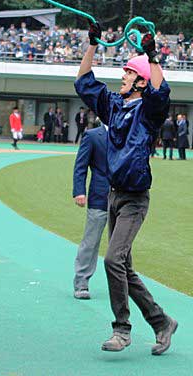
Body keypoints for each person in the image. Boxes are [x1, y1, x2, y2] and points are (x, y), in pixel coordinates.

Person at [75, 21, 177, 355]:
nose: (122, 76)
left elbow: (162, 91)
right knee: (123, 266)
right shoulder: (114, 105)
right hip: (112, 196)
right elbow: (83, 82)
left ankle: (122, 329)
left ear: (141, 81)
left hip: (134, 199)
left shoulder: (148, 111)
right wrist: (92, 44)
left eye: (128, 73)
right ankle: (161, 322)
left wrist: (152, 55)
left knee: (112, 260)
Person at [72, 124, 109, 300]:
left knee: (123, 246)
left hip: (126, 197)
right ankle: (81, 282)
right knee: (91, 241)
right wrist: (79, 191)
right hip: (100, 196)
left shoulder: (127, 133)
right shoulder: (92, 136)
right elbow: (81, 165)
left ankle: (125, 287)